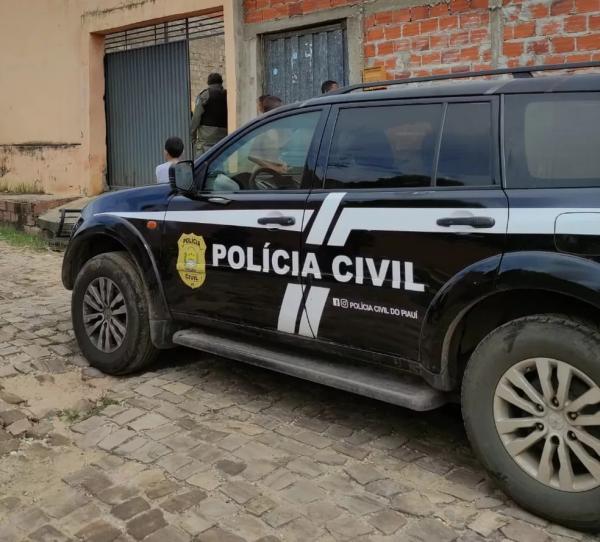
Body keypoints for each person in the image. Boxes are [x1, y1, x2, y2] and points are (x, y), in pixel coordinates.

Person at [190, 73, 228, 156]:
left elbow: (196, 117)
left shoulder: (204, 95)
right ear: (221, 82)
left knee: (201, 162)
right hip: (223, 137)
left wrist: (192, 136)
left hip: (206, 139)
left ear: (208, 83)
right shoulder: (227, 94)